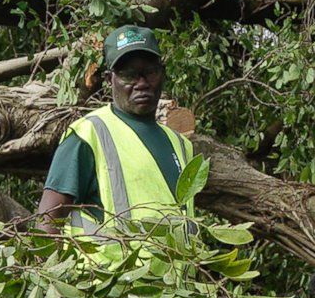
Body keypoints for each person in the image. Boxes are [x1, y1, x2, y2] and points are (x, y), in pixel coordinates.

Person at [36, 25, 196, 230]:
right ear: (109, 80)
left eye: (149, 72)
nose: (142, 83)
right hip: (106, 263)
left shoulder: (181, 145)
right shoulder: (89, 134)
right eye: (129, 75)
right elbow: (48, 221)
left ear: (162, 74)